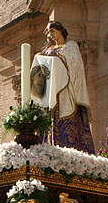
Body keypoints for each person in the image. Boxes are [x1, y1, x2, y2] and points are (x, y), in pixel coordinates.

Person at [31, 21, 94, 153]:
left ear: (60, 30)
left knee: (67, 125)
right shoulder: (48, 50)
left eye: (52, 31)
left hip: (65, 90)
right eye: (49, 32)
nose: (51, 35)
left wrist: (56, 59)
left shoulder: (70, 46)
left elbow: (74, 66)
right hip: (51, 93)